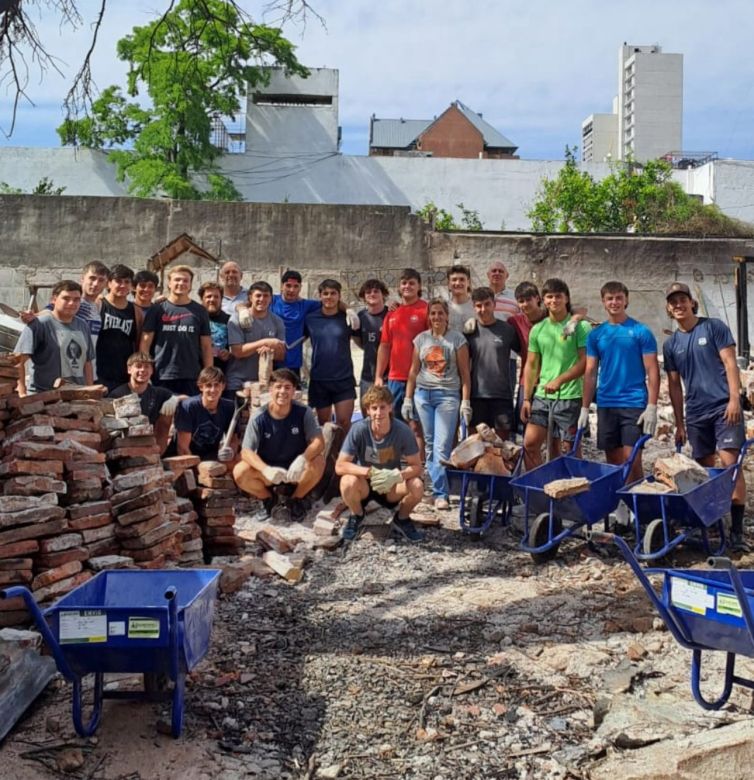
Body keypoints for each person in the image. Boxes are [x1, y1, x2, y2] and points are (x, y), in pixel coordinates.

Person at [664, 282, 749, 552]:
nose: (678, 305)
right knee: (703, 469)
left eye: (682, 300)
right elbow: (675, 385)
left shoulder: (713, 327)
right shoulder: (671, 344)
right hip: (696, 412)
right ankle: (711, 521)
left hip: (724, 407)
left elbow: (730, 363)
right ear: (669, 307)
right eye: (673, 301)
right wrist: (679, 422)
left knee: (729, 464)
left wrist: (735, 399)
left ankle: (737, 531)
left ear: (691, 302)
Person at [580, 281, 659, 483]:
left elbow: (652, 370)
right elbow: (590, 372)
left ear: (626, 300)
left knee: (632, 460)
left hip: (634, 404)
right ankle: (621, 509)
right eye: (610, 298)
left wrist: (651, 406)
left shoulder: (641, 331)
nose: (614, 302)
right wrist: (584, 408)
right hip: (606, 404)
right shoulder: (596, 335)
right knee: (613, 463)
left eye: (618, 298)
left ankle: (638, 508)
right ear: (603, 302)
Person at [233, 368, 325, 522]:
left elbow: (319, 442)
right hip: (270, 471)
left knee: (318, 461)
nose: (283, 392)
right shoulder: (259, 417)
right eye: (278, 387)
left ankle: (295, 500)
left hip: (296, 469)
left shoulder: (304, 412)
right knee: (240, 471)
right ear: (270, 390)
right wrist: (265, 469)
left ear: (294, 390)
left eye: (287, 387)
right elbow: (246, 451)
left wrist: (303, 459)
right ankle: (268, 500)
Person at [336, 384, 425, 542]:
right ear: (367, 410)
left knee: (417, 485)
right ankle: (356, 515)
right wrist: (369, 472)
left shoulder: (402, 431)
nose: (378, 413)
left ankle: (402, 519)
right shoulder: (359, 429)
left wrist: (397, 475)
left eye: (382, 407)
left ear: (390, 407)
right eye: (374, 408)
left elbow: (417, 466)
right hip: (365, 485)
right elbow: (340, 465)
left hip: (391, 487)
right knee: (347, 482)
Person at [405, 298, 471, 510]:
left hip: (447, 396)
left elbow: (465, 373)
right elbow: (414, 371)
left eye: (440, 313)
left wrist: (466, 401)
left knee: (442, 446)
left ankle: (440, 493)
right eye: (432, 313)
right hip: (423, 395)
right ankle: (435, 489)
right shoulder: (421, 339)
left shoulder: (457, 339)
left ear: (446, 315)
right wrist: (408, 397)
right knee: (430, 444)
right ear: (428, 316)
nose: (436, 317)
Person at [521, 278, 589, 469]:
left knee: (569, 449)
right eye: (549, 297)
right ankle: (539, 490)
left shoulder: (580, 327)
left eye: (558, 296)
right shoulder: (538, 329)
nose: (554, 301)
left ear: (566, 298)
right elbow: (531, 365)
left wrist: (560, 380)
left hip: (570, 396)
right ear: (543, 300)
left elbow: (585, 362)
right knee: (530, 444)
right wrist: (527, 399)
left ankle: (574, 492)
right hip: (542, 396)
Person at [140, 264, 213, 396]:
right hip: (161, 375)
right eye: (177, 280)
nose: (181, 283)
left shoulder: (200, 311)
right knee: (162, 415)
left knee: (189, 415)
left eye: (186, 280)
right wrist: (146, 370)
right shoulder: (157, 309)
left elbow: (206, 346)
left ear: (191, 285)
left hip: (192, 376)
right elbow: (145, 343)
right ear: (169, 283)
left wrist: (208, 374)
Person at [15, 280, 94, 394]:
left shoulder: (83, 325)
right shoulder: (39, 324)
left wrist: (90, 391)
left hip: (76, 395)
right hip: (43, 396)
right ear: (54, 299)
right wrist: (22, 393)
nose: (72, 303)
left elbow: (87, 362)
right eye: (66, 299)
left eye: (76, 299)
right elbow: (18, 361)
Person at [466, 286, 521, 441]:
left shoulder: (507, 330)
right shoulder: (469, 331)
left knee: (502, 445)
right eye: (478, 305)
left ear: (494, 304)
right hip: (476, 395)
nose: (483, 309)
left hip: (502, 395)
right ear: (473, 307)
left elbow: (525, 353)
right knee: (474, 446)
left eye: (487, 304)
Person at [375, 267, 429, 421]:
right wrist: (379, 376)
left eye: (412, 283)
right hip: (395, 379)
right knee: (396, 424)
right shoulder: (392, 313)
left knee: (417, 426)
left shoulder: (427, 310)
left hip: (421, 378)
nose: (407, 286)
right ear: (399, 287)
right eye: (404, 283)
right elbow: (384, 346)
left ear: (419, 286)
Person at [304, 279, 358, 430]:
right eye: (325, 293)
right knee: (325, 426)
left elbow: (362, 340)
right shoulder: (310, 319)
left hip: (344, 378)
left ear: (339, 296)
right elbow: (297, 339)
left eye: (333, 293)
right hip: (319, 379)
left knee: (344, 422)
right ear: (320, 296)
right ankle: (329, 454)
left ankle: (345, 453)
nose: (329, 297)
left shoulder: (347, 318)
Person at [109, 352, 179, 453]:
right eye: (138, 366)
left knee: (167, 414)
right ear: (129, 369)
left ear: (152, 371)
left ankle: (158, 458)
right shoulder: (117, 394)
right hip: (124, 444)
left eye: (147, 367)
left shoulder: (159, 393)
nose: (142, 370)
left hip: (150, 442)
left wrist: (174, 399)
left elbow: (187, 399)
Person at [226, 281, 285, 395]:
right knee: (235, 413)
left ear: (271, 299)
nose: (262, 299)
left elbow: (281, 356)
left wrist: (270, 351)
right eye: (258, 295)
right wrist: (266, 342)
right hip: (237, 382)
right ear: (250, 297)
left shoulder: (277, 321)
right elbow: (237, 351)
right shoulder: (237, 319)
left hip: (263, 384)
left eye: (266, 296)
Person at [174, 366, 237, 462]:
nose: (212, 390)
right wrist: (196, 468)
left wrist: (230, 452)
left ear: (223, 386)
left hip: (213, 457)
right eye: (208, 385)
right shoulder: (188, 406)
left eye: (216, 385)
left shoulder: (229, 407)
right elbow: (182, 448)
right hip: (188, 457)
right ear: (200, 387)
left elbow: (234, 439)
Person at [96, 264, 142, 392]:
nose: (122, 285)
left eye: (127, 282)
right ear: (109, 283)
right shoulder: (98, 305)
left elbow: (138, 343)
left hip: (124, 376)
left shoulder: (136, 311)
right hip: (99, 373)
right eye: (118, 281)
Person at [270, 270, 321, 376]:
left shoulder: (306, 305)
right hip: (270, 361)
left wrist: (348, 309)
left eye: (295, 286)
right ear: (281, 286)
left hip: (293, 362)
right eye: (288, 285)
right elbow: (249, 301)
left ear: (300, 288)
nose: (291, 290)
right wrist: (242, 309)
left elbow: (331, 303)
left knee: (292, 392)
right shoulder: (271, 300)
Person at [354, 278, 389, 400]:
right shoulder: (360, 317)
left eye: (376, 291)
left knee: (389, 415)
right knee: (368, 415)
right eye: (368, 292)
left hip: (390, 376)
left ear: (383, 294)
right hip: (368, 375)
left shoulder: (391, 314)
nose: (372, 294)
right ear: (364, 296)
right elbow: (358, 341)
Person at [198, 281, 231, 370]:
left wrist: (228, 353)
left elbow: (235, 346)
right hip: (197, 370)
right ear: (202, 299)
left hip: (221, 372)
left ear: (221, 299)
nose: (212, 300)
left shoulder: (229, 320)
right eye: (208, 296)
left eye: (216, 297)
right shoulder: (195, 319)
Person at [446, 263, 475, 332]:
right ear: (449, 284)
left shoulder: (477, 306)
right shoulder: (444, 307)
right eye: (454, 280)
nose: (458, 283)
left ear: (468, 283)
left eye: (462, 279)